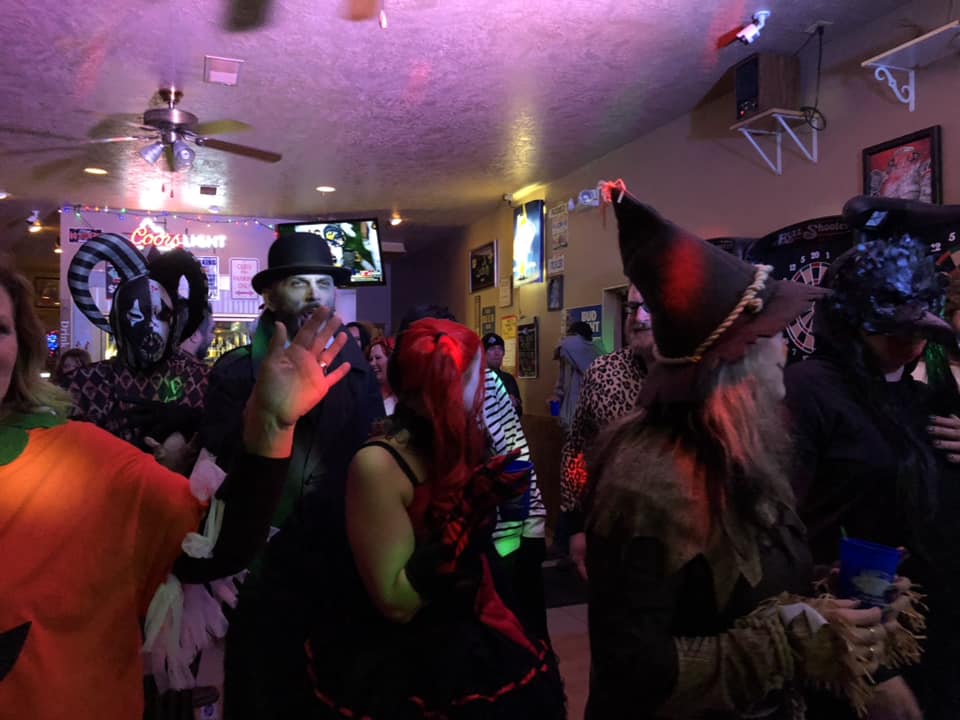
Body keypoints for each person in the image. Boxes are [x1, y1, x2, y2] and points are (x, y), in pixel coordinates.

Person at [584, 183, 920, 719]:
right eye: (772, 334)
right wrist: (786, 645)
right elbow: (634, 670)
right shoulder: (647, 483)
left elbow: (733, 597)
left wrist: (830, 602)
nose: (785, 348)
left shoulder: (741, 450)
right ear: (735, 360)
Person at [0, 263, 353, 720]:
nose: (148, 327)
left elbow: (211, 544)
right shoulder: (88, 384)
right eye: (135, 315)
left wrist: (266, 427)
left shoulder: (91, 452)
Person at [304, 317, 565, 718]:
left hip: (477, 625)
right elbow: (397, 603)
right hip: (408, 656)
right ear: (446, 389)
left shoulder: (457, 446)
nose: (484, 392)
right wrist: (464, 518)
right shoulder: (378, 465)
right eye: (475, 379)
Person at [785, 195, 960, 720]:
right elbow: (783, 535)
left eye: (918, 328)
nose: (910, 342)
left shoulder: (922, 396)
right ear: (850, 322)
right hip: (856, 637)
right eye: (893, 328)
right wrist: (871, 667)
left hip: (936, 633)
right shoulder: (807, 391)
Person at [199, 231, 383, 720]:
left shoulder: (356, 370)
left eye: (323, 284)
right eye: (299, 283)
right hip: (260, 571)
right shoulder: (236, 373)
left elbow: (367, 456)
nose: (314, 295)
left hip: (337, 567)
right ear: (270, 295)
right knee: (260, 694)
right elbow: (218, 471)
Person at [400, 307, 549, 640]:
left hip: (499, 538)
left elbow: (517, 451)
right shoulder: (408, 409)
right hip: (430, 554)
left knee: (516, 632)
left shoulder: (488, 382)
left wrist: (534, 522)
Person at [61, 235, 211, 452]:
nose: (152, 327)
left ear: (174, 320)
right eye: (136, 315)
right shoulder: (82, 385)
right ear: (118, 319)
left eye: (162, 315)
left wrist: (194, 422)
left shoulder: (202, 379)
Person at [559, 284, 653, 579]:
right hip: (612, 531)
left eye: (650, 307)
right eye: (632, 308)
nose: (638, 318)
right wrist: (575, 527)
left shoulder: (702, 372)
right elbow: (576, 450)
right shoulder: (603, 373)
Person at [549, 321, 598, 429]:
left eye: (572, 335)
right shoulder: (568, 358)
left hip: (584, 417)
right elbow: (561, 380)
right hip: (569, 417)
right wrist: (557, 395)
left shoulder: (590, 353)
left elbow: (566, 343)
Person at [482, 332, 522, 415]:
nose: (497, 353)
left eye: (500, 349)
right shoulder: (475, 379)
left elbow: (519, 412)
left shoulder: (509, 379)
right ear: (483, 353)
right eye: (492, 349)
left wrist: (513, 403)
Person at [367, 335, 397, 415]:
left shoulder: (402, 398)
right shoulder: (365, 394)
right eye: (370, 359)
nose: (372, 363)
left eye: (378, 358)